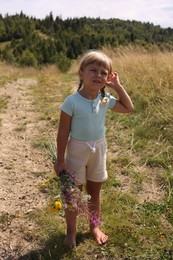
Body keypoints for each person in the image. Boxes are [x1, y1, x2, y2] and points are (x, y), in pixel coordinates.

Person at [54, 49, 134, 248]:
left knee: (95, 191)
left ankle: (94, 227)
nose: (98, 75)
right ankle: (71, 231)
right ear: (81, 73)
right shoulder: (71, 102)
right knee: (73, 193)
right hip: (76, 151)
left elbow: (128, 108)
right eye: (93, 70)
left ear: (107, 78)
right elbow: (62, 133)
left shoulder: (105, 100)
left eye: (104, 73)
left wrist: (117, 86)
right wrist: (60, 160)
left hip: (98, 149)